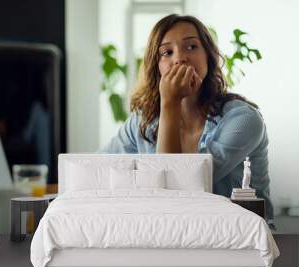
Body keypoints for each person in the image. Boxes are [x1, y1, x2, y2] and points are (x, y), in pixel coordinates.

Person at [99, 14, 274, 224]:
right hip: (175, 235)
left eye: (191, 47)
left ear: (209, 56)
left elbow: (176, 189)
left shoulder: (244, 120)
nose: (180, 58)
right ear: (157, 67)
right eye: (167, 52)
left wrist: (170, 103)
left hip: (244, 242)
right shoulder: (142, 122)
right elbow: (98, 170)